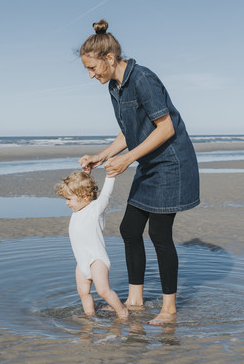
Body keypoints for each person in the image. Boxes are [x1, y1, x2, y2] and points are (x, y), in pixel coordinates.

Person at [78, 19, 200, 325]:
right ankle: (134, 300)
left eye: (93, 69)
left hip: (171, 163)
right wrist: (102, 156)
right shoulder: (115, 88)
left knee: (159, 234)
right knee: (130, 230)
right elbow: (128, 131)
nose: (91, 76)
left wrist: (128, 159)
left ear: (109, 58)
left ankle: (169, 310)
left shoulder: (142, 78)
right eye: (87, 71)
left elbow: (166, 127)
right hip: (149, 163)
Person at [55, 171, 128, 319]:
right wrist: (84, 173)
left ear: (85, 197)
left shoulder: (94, 210)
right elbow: (80, 184)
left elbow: (106, 196)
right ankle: (89, 315)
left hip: (96, 260)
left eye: (69, 199)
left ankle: (122, 312)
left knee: (103, 291)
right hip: (81, 262)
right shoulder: (77, 210)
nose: (66, 203)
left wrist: (110, 177)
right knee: (83, 292)